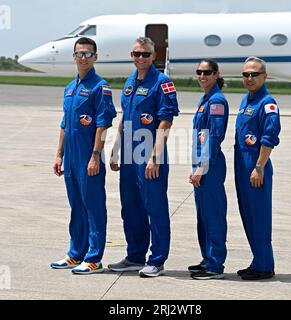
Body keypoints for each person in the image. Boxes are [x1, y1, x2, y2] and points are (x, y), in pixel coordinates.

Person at [108, 37, 179, 277]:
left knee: (155, 207)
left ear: (153, 56)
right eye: (136, 54)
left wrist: (155, 157)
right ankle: (135, 256)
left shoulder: (162, 83)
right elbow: (123, 119)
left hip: (149, 153)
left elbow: (165, 121)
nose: (140, 58)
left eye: (145, 54)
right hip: (129, 154)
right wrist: (115, 149)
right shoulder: (129, 82)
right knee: (131, 208)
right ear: (132, 56)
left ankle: (157, 260)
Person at [50, 37, 117, 274]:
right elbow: (65, 125)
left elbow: (102, 125)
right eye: (79, 53)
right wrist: (59, 155)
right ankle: (75, 253)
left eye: (88, 54)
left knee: (94, 207)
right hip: (71, 159)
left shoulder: (100, 87)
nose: (83, 58)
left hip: (89, 159)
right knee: (76, 206)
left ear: (95, 57)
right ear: (73, 56)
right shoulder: (70, 88)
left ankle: (94, 257)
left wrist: (95, 155)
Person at [235, 56, 281, 280]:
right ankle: (257, 260)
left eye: (254, 74)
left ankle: (265, 266)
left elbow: (269, 137)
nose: (249, 78)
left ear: (265, 76)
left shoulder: (267, 102)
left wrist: (260, 167)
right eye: (246, 74)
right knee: (248, 215)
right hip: (241, 163)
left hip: (255, 164)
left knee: (260, 216)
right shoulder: (247, 100)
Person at [188, 60, 229, 280]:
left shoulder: (217, 101)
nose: (202, 76)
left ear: (216, 74)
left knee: (213, 215)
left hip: (210, 166)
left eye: (207, 72)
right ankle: (207, 259)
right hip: (202, 164)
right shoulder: (206, 99)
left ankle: (215, 265)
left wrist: (202, 167)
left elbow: (214, 136)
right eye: (199, 72)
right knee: (203, 216)